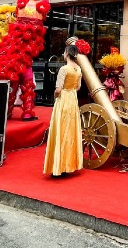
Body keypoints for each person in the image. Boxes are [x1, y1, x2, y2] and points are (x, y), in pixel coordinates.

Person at [43, 44, 83, 177]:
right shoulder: (78, 69)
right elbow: (78, 87)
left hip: (64, 98)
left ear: (67, 54)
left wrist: (55, 95)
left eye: (64, 52)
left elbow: (58, 89)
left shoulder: (64, 69)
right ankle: (69, 165)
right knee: (70, 131)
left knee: (60, 130)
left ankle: (59, 166)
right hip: (73, 99)